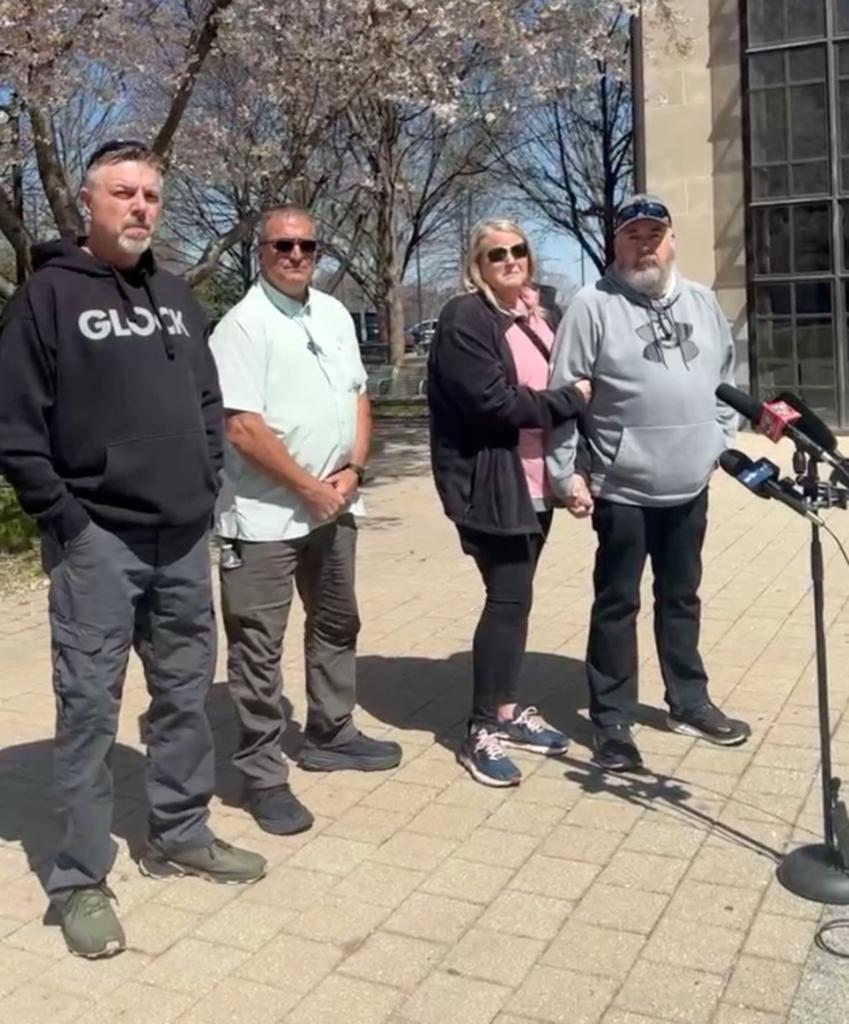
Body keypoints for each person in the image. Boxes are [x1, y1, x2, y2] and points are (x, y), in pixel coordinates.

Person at [0, 140, 266, 959]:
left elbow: (209, 400)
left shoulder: (178, 295)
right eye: (124, 192)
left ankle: (179, 832)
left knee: (185, 696)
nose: (141, 206)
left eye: (151, 193)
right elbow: (15, 430)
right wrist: (71, 525)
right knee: (88, 712)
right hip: (99, 541)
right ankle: (79, 879)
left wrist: (207, 483)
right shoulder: (46, 297)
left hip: (184, 536)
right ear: (89, 202)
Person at [210, 205, 402, 836]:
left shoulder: (334, 314)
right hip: (265, 516)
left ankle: (330, 730)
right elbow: (241, 426)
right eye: (282, 245)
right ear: (260, 252)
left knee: (337, 621)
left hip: (335, 504)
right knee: (257, 649)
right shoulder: (242, 326)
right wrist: (305, 488)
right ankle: (263, 776)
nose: (295, 255)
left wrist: (352, 470)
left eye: (307, 246)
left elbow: (356, 395)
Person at [547, 193, 751, 773]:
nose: (646, 245)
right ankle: (611, 719)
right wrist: (566, 474)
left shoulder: (703, 302)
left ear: (672, 240)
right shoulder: (592, 306)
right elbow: (566, 395)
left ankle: (688, 700)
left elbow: (725, 379)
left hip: (690, 482)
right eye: (633, 235)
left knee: (682, 596)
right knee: (618, 603)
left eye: (654, 234)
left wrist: (717, 442)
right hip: (623, 486)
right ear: (617, 244)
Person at [428, 219, 591, 787]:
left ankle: (507, 709)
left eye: (518, 250)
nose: (509, 260)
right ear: (478, 264)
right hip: (490, 481)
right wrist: (571, 399)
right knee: (507, 596)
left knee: (517, 599)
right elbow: (494, 404)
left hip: (534, 480)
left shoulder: (536, 312)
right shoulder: (465, 318)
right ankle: (480, 729)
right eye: (496, 254)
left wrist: (573, 469)